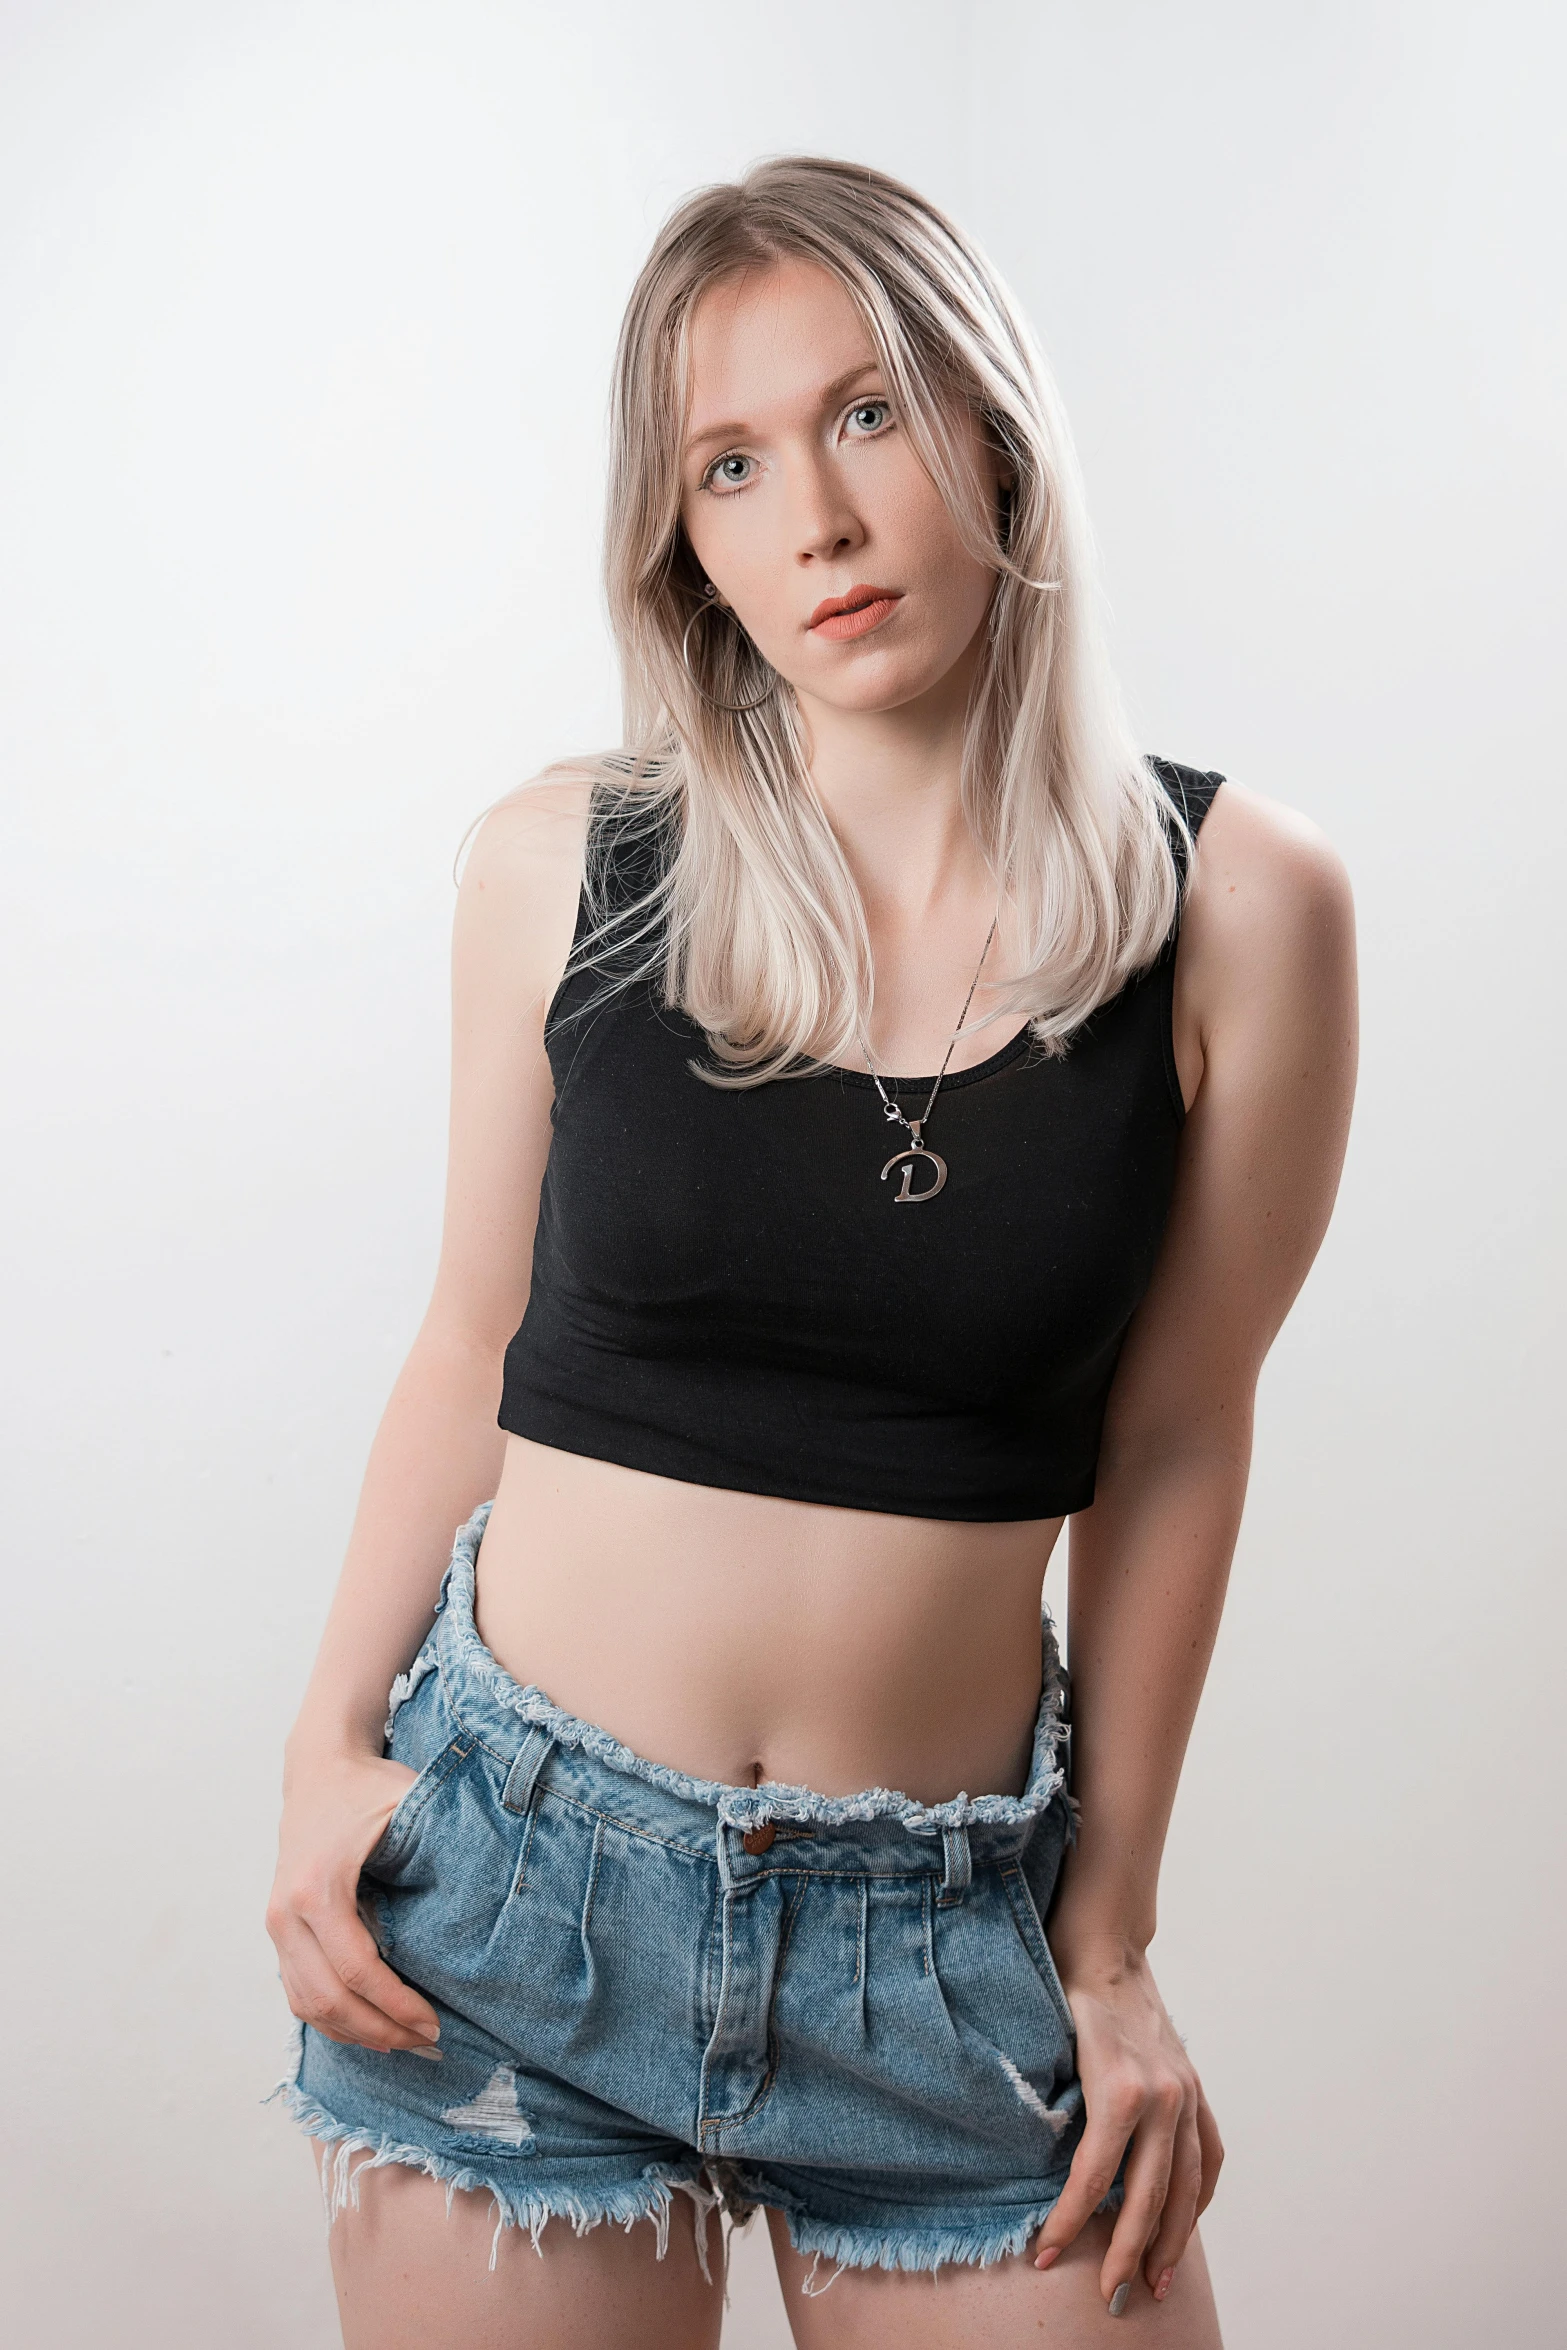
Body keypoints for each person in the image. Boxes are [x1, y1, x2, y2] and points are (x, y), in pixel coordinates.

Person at [266, 156, 1357, 2350]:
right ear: (682, 540)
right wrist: (318, 1748)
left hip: (945, 1943)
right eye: (732, 466)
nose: (819, 523)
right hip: (519, 1900)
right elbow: (473, 1332)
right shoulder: (565, 866)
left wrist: (1113, 1935)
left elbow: (1170, 1443)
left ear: (991, 421)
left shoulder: (1244, 907)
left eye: (868, 414)